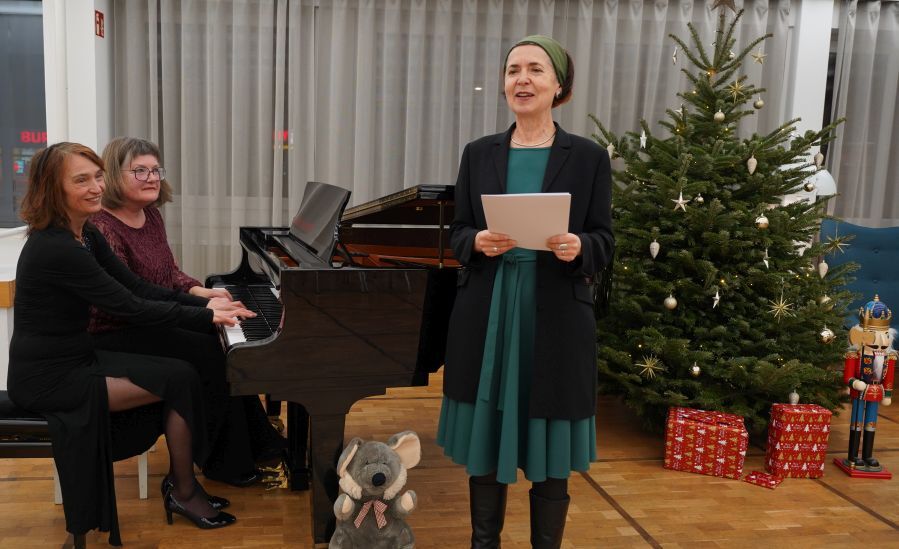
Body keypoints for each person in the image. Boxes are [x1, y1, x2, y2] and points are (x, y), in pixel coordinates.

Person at [8, 143, 253, 545]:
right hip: (49, 376)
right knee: (180, 378)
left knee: (183, 373)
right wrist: (206, 315)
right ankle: (184, 492)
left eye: (98, 176)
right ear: (53, 189)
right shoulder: (56, 247)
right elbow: (129, 306)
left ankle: (184, 484)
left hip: (77, 356)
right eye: (81, 180)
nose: (96, 187)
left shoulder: (83, 233)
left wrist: (199, 300)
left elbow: (137, 286)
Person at [437, 35, 613, 548]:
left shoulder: (587, 157)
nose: (522, 79)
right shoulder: (478, 153)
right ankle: (483, 543)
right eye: (513, 70)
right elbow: (458, 232)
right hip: (489, 310)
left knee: (549, 437)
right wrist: (477, 241)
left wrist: (579, 245)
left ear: (559, 85)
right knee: (487, 435)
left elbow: (604, 239)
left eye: (535, 70)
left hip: (555, 314)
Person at [89, 136, 286, 487]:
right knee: (210, 350)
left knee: (224, 344)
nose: (152, 178)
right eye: (140, 171)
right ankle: (226, 462)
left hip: (155, 316)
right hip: (116, 331)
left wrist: (204, 292)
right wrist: (203, 309)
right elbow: (130, 300)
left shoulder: (150, 216)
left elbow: (169, 274)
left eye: (155, 170)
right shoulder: (103, 228)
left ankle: (259, 442)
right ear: (115, 175)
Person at [841, 295, 896, 473]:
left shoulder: (889, 356)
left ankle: (867, 455)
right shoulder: (855, 355)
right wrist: (854, 383)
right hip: (861, 390)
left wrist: (887, 394)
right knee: (856, 422)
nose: (879, 345)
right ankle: (852, 455)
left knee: (871, 423)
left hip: (876, 391)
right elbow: (848, 376)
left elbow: (889, 377)